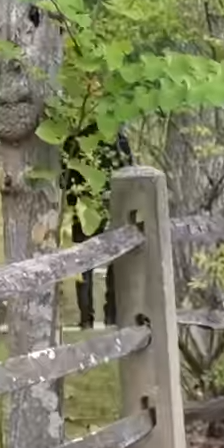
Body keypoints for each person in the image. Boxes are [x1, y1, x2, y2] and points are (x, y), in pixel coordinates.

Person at [60, 123, 134, 328]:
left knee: (85, 264)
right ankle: (112, 315)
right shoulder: (118, 140)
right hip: (112, 206)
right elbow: (129, 172)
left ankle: (86, 318)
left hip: (84, 208)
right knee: (114, 262)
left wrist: (74, 200)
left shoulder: (74, 140)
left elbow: (64, 180)